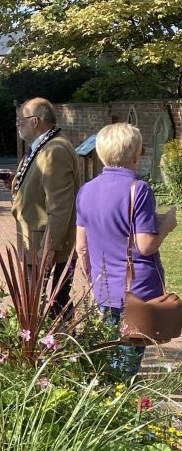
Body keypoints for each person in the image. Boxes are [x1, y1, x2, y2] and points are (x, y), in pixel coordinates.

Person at [76, 123, 176, 369]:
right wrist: (167, 224)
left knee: (111, 350)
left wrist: (92, 279)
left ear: (100, 153)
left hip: (103, 286)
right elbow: (145, 245)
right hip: (136, 289)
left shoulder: (86, 190)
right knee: (128, 359)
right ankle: (121, 404)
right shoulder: (138, 189)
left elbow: (82, 247)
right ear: (135, 154)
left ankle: (110, 400)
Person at [6, 97, 82, 316]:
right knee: (42, 308)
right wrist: (16, 182)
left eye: (21, 119)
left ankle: (61, 347)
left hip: (47, 248)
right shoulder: (43, 146)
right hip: (38, 244)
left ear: (36, 121)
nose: (18, 124)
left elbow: (60, 207)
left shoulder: (54, 150)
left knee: (47, 309)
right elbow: (43, 187)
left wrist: (47, 251)